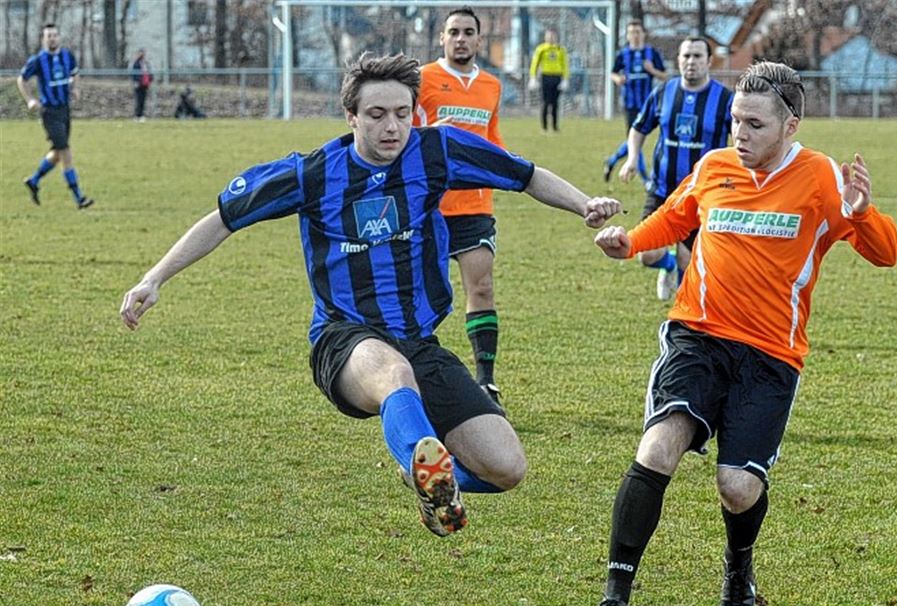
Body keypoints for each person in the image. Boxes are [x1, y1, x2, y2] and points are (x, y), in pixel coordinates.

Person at [120, 53, 620, 539]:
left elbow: (525, 175)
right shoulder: (313, 174)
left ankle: (424, 478)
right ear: (351, 116)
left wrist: (584, 205)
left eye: (403, 114)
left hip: (419, 341)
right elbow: (223, 219)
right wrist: (154, 278)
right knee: (392, 373)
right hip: (344, 341)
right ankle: (420, 457)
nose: (392, 127)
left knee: (506, 467)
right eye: (377, 115)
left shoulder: (437, 150)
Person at [582, 61, 897, 606]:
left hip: (770, 355)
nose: (739, 134)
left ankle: (739, 567)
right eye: (735, 121)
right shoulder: (714, 167)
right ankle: (614, 598)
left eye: (754, 125)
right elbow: (671, 220)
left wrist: (860, 214)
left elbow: (887, 253)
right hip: (697, 335)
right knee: (658, 446)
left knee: (737, 486)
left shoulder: (822, 179)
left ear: (791, 127)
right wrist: (627, 244)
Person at [413, 6, 507, 403]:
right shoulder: (421, 80)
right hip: (428, 205)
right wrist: (428, 133)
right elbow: (402, 132)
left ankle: (485, 380)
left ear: (479, 40)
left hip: (474, 207)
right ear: (442, 38)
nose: (461, 39)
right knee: (419, 294)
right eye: (454, 32)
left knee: (481, 287)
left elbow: (493, 142)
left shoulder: (491, 85)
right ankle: (414, 371)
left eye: (469, 32)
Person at [619, 36, 731, 300]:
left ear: (709, 62)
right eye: (686, 56)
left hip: (703, 195)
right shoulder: (663, 92)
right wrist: (632, 158)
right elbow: (638, 128)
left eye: (697, 56)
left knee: (688, 258)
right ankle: (666, 266)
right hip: (662, 190)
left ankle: (682, 314)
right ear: (678, 60)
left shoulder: (725, 99)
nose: (691, 62)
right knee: (645, 254)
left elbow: (741, 139)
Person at [17, 23, 94, 209]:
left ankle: (34, 181)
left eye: (55, 35)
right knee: (66, 152)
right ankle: (79, 197)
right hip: (49, 112)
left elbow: (75, 74)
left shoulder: (67, 56)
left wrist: (76, 89)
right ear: (43, 39)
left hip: (64, 110)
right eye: (48, 36)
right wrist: (30, 100)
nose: (52, 38)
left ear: (59, 37)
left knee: (58, 154)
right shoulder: (38, 60)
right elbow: (22, 79)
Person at [602, 21, 667, 184]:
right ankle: (646, 180)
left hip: (649, 104)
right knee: (636, 141)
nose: (635, 35)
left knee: (636, 141)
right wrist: (618, 79)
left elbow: (664, 76)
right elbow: (613, 73)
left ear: (643, 34)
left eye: (638, 32)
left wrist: (652, 70)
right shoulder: (623, 54)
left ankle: (611, 160)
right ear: (628, 35)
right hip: (630, 104)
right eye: (631, 32)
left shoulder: (652, 53)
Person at [529, 28, 569, 132]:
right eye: (549, 35)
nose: (551, 38)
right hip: (545, 76)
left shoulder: (560, 49)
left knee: (555, 103)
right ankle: (544, 127)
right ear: (545, 37)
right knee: (545, 102)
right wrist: (533, 77)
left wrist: (565, 79)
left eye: (553, 35)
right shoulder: (541, 49)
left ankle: (555, 127)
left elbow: (565, 65)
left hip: (557, 77)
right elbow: (535, 64)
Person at [130, 48, 153, 122]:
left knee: (143, 100)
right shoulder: (136, 63)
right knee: (138, 100)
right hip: (138, 84)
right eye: (140, 53)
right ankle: (137, 115)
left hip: (144, 84)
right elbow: (133, 74)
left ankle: (142, 115)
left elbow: (149, 72)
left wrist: (150, 79)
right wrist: (136, 82)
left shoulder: (146, 63)